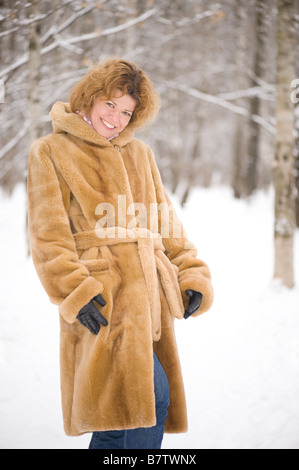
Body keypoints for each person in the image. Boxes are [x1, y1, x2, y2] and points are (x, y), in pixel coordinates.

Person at [27, 58, 214, 449]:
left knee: (117, 420)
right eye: (110, 104)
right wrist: (75, 293)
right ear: (90, 98)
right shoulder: (50, 151)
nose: (116, 118)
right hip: (102, 300)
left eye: (127, 111)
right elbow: (49, 238)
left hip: (149, 305)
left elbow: (166, 224)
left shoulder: (140, 154)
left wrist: (191, 273)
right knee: (150, 397)